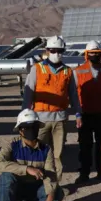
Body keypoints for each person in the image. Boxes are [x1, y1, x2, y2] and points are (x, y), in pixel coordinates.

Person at [22, 36, 81, 183]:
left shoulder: (68, 72)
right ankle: (38, 184)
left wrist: (78, 113)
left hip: (60, 120)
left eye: (59, 50)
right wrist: (24, 115)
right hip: (40, 120)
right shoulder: (37, 69)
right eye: (53, 50)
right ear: (47, 51)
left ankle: (54, 186)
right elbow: (28, 93)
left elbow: (73, 95)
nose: (56, 53)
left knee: (58, 155)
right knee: (39, 153)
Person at [0, 109, 64, 201]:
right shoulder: (12, 145)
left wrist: (50, 195)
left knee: (57, 192)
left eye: (35, 126)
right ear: (21, 130)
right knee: (5, 177)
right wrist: (26, 169)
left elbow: (50, 174)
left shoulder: (46, 149)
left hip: (35, 188)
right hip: (15, 188)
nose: (32, 130)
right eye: (27, 127)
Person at [74, 40, 101, 185]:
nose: (93, 55)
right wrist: (78, 114)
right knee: (85, 145)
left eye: (96, 53)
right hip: (85, 113)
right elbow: (75, 94)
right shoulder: (78, 71)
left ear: (100, 54)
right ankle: (84, 173)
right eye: (91, 53)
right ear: (86, 54)